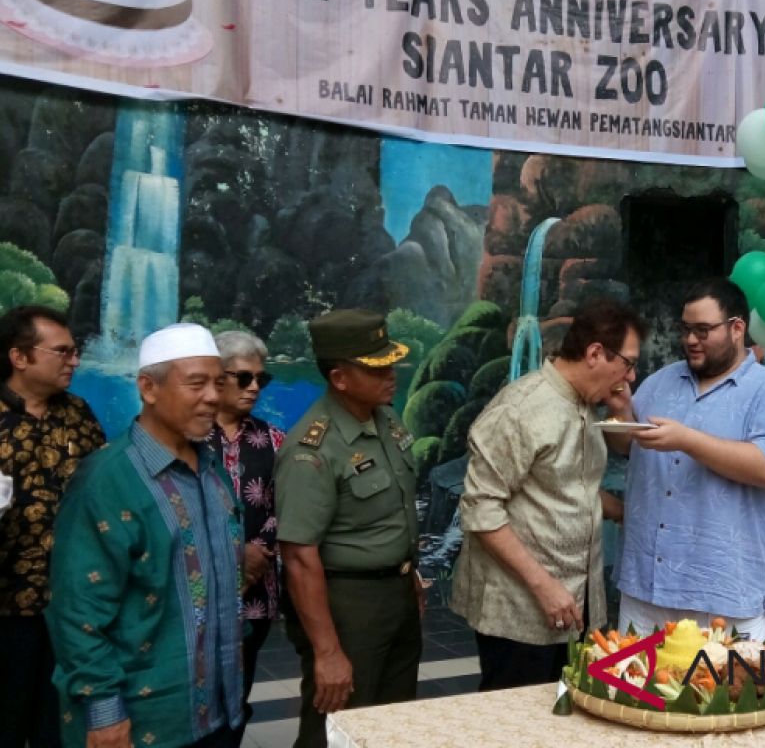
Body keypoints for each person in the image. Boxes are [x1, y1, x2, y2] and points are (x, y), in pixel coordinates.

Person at [46, 323, 243, 748]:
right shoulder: (106, 481)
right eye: (196, 383)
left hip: (220, 710)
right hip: (144, 722)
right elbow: (77, 610)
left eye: (218, 383)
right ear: (148, 388)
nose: (213, 396)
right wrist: (103, 712)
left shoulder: (211, 469)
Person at [451, 299, 646, 690]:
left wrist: (622, 510)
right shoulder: (521, 410)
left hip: (576, 602)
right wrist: (544, 585)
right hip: (522, 608)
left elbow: (570, 484)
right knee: (515, 725)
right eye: (628, 362)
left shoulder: (584, 403)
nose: (632, 375)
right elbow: (481, 509)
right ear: (595, 353)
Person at [608, 278, 765, 640]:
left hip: (725, 594)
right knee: (637, 694)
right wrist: (621, 410)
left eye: (702, 330)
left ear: (737, 329)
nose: (690, 340)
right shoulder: (659, 383)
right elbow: (629, 449)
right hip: (646, 586)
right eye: (685, 330)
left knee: (723, 696)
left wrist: (687, 440)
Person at [275, 309, 424, 748]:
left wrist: (408, 575)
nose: (391, 375)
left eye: (390, 363)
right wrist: (327, 651)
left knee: (393, 723)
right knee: (338, 725)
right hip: (347, 604)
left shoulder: (385, 420)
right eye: (376, 368)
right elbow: (300, 557)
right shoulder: (312, 450)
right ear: (340, 378)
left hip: (395, 595)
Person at [0, 306, 105, 748]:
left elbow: (104, 486)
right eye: (61, 351)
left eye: (75, 351)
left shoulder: (77, 413)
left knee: (59, 728)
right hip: (6, 610)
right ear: (19, 357)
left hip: (71, 606)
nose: (74, 360)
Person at [205, 331, 284, 738]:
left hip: (256, 593)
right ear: (215, 375)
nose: (254, 387)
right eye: (243, 377)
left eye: (261, 379)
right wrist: (233, 554)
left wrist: (257, 551)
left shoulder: (274, 440)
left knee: (238, 699)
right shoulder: (189, 437)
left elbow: (285, 508)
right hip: (197, 596)